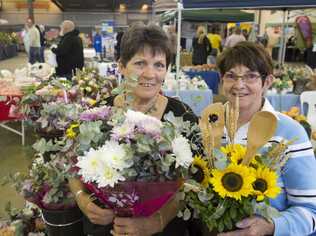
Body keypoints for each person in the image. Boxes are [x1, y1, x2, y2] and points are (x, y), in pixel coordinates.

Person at [69, 24, 202, 236]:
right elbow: (72, 163)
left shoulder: (183, 117)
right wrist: (82, 199)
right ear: (121, 66)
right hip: (105, 226)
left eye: (159, 65)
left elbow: (195, 180)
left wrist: (157, 221)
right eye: (140, 63)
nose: (150, 74)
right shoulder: (99, 113)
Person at [216, 41, 316, 236]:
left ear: (267, 82)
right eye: (231, 76)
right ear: (221, 80)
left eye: (250, 76)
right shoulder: (210, 125)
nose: (239, 85)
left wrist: (272, 226)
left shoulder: (289, 133)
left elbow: (312, 212)